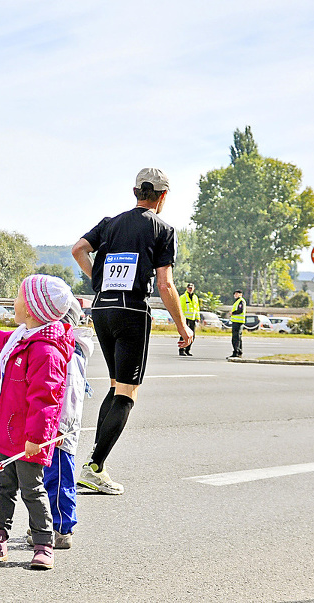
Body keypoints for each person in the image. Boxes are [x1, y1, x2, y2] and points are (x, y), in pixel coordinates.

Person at [71, 167, 193, 495]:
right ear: (163, 196)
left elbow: (78, 249)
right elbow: (165, 284)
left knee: (115, 387)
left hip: (102, 308)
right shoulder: (162, 229)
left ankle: (96, 464)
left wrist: (97, 277)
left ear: (135, 191)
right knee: (127, 392)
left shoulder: (110, 223)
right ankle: (94, 466)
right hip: (132, 311)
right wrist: (183, 327)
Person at [0, 275, 75, 571]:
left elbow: (46, 399)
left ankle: (44, 543)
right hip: (8, 433)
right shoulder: (21, 337)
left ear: (32, 308)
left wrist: (37, 437)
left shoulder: (46, 350)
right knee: (3, 486)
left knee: (32, 489)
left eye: (18, 296)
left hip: (30, 440)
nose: (14, 301)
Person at [26, 298, 93, 551]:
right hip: (49, 426)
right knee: (43, 481)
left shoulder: (69, 353)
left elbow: (70, 392)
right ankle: (44, 524)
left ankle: (61, 528)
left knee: (58, 479)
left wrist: (61, 428)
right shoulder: (59, 347)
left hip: (60, 431)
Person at [179, 283, 200, 356]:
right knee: (184, 334)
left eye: (191, 288)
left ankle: (188, 349)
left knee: (192, 335)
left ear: (194, 288)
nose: (190, 289)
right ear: (186, 288)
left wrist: (198, 317)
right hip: (185, 318)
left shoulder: (195, 297)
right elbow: (180, 308)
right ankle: (182, 350)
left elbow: (197, 308)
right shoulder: (183, 297)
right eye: (189, 288)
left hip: (193, 318)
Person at [228, 289, 246, 358]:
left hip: (238, 322)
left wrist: (233, 313)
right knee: (237, 337)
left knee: (236, 338)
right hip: (236, 321)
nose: (235, 295)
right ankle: (238, 351)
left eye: (237, 293)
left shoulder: (241, 301)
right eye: (235, 294)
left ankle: (237, 352)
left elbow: (240, 310)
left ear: (240, 294)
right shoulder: (237, 301)